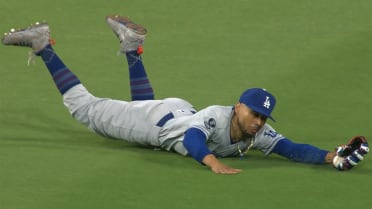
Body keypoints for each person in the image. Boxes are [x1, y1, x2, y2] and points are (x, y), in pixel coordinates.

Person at [2, 15, 368, 174]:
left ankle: (132, 47)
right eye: (253, 113)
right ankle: (44, 44)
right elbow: (194, 138)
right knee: (84, 109)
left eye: (262, 117)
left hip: (173, 111)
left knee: (147, 104)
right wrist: (212, 162)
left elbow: (291, 148)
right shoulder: (217, 116)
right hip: (155, 125)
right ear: (238, 107)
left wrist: (329, 156)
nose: (258, 122)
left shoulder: (257, 133)